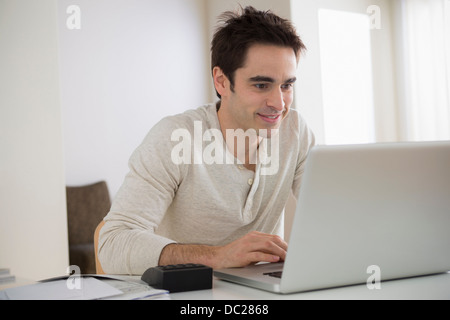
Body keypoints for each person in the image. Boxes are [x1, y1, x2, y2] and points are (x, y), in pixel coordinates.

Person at [98, 6, 315, 275]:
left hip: (259, 293)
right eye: (261, 85)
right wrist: (217, 256)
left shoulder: (295, 131)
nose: (279, 104)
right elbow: (112, 243)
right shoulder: (175, 137)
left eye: (287, 85)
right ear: (222, 81)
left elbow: (331, 215)